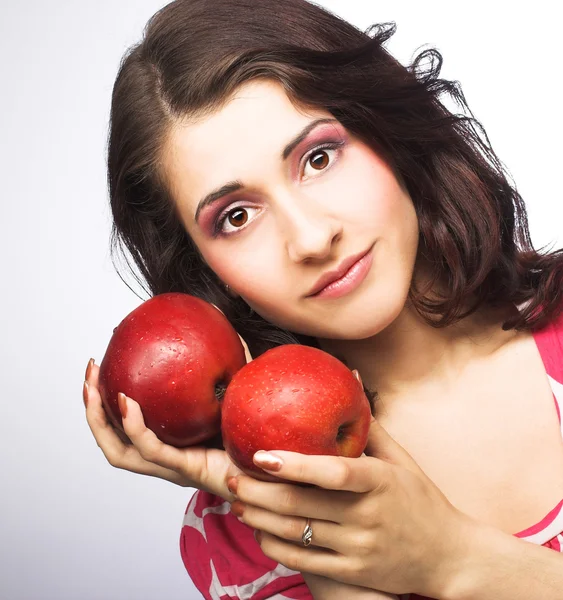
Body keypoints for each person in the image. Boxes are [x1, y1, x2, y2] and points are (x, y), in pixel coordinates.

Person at [83, 0, 563, 598]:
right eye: (236, 216)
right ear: (205, 270)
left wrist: (456, 562)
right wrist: (316, 543)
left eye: (318, 157)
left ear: (387, 130)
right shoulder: (244, 542)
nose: (311, 237)